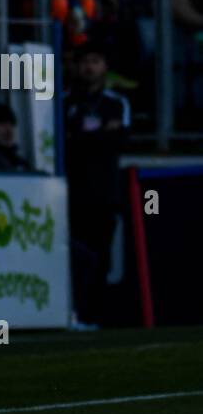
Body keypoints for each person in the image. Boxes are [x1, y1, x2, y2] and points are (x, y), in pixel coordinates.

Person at [65, 45, 130, 325]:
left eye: (95, 61)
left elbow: (118, 141)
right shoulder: (65, 102)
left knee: (101, 258)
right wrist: (97, 135)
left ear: (105, 66)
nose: (89, 68)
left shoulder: (116, 103)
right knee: (75, 257)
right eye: (84, 62)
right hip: (71, 195)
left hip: (104, 194)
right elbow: (65, 142)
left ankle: (97, 317)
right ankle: (74, 313)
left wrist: (84, 138)